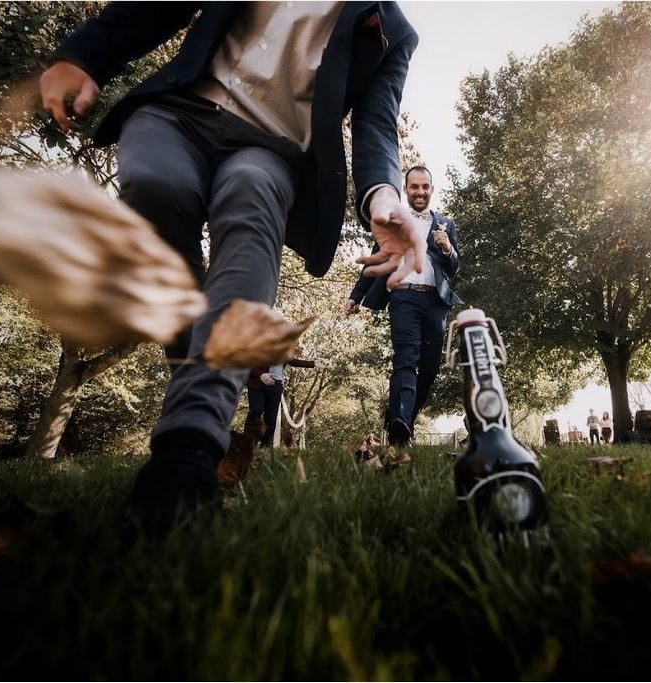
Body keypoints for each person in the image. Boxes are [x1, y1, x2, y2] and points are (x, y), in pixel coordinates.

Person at [41, 3, 423, 531]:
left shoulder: (393, 33)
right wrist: (82, 56)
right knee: (157, 187)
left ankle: (189, 448)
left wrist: (382, 195)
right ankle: (195, 348)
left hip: (270, 149)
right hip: (179, 114)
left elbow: (376, 125)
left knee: (251, 207)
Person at [344, 165, 462, 446]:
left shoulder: (446, 223)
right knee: (406, 358)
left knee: (430, 367)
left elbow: (455, 267)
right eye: (414, 187)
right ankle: (399, 425)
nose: (419, 192)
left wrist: (447, 248)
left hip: (435, 302)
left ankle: (404, 419)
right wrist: (355, 295)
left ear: (431, 189)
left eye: (424, 187)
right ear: (406, 190)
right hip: (403, 298)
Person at [246, 358, 320, 448]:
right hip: (257, 384)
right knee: (256, 411)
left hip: (275, 387)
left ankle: (265, 447)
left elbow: (293, 361)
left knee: (271, 420)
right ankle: (247, 443)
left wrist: (314, 363)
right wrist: (260, 374)